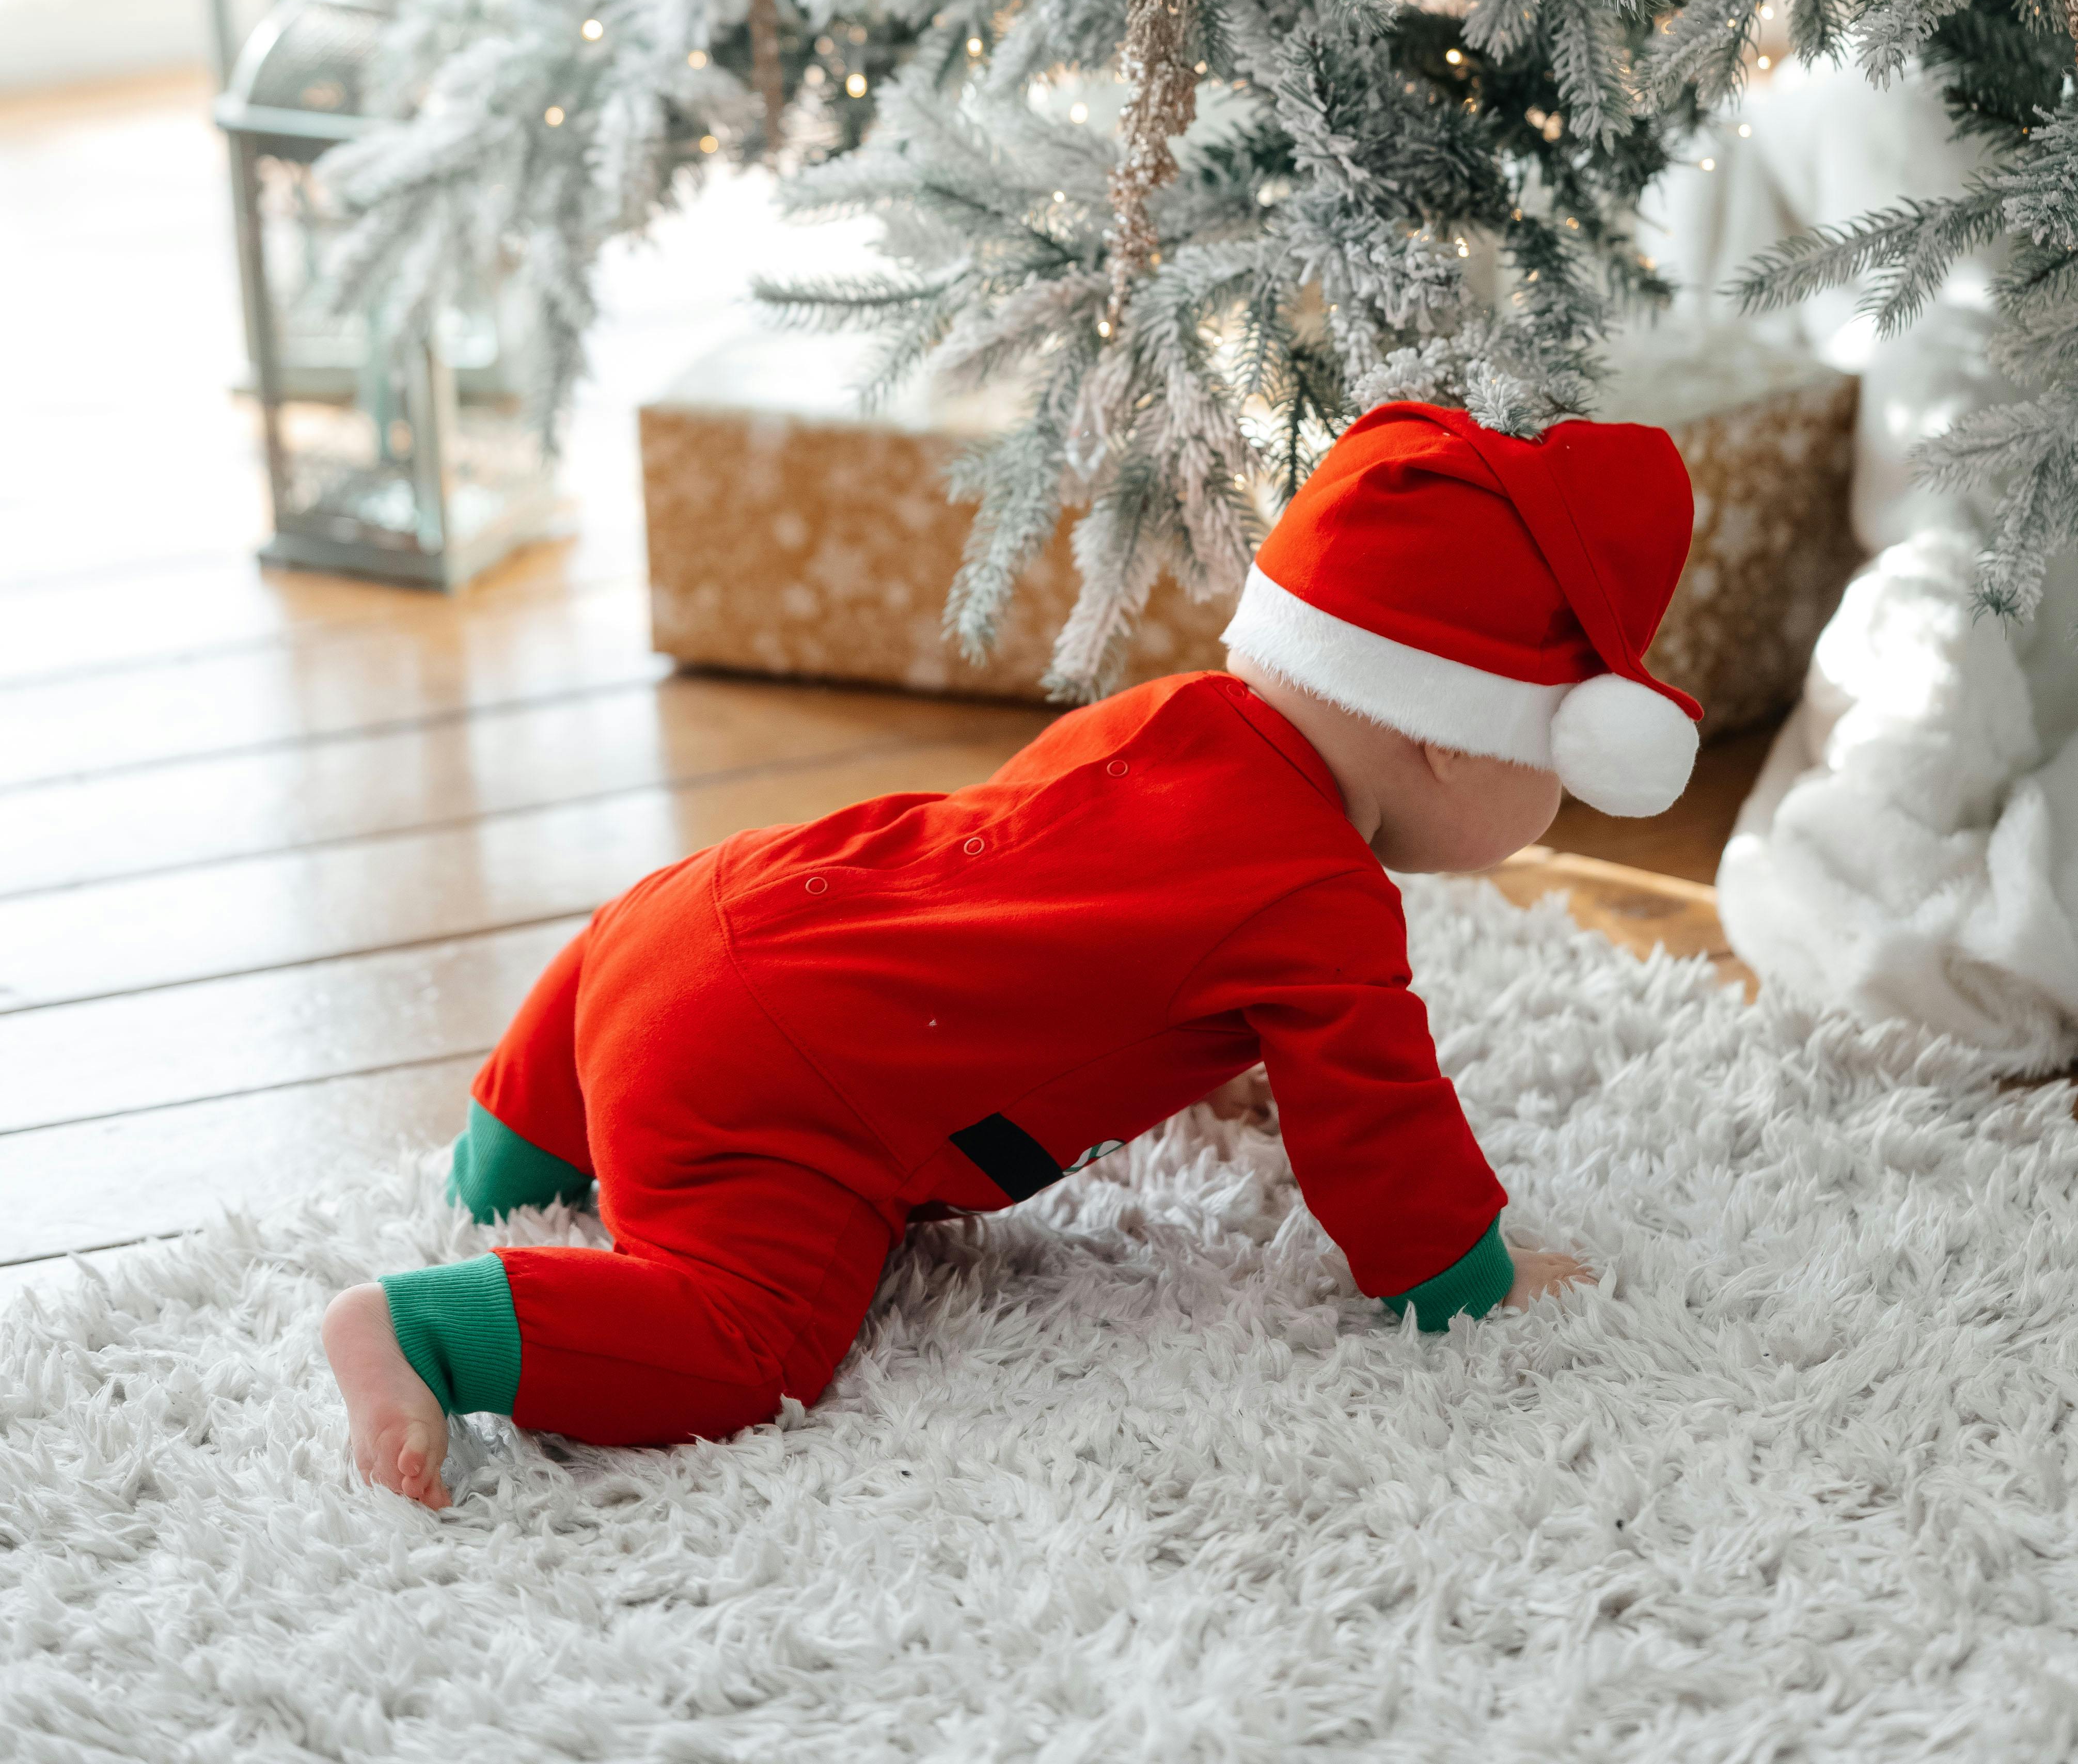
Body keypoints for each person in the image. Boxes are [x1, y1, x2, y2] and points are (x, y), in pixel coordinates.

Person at [324, 400, 1701, 1506]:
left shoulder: (1173, 713)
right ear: (1456, 741)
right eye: (1554, 771)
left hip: (697, 913)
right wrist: (1468, 1274)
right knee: (760, 1340)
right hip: (788, 1083)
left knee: (640, 985)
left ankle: (503, 1160)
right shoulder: (1322, 907)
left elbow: (1076, 912)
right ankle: (432, 1334)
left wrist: (1221, 1061)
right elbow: (1382, 1139)